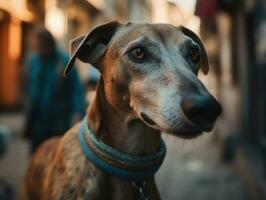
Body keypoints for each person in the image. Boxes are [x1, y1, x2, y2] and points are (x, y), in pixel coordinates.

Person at [24, 27, 86, 152]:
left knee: (55, 156)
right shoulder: (33, 61)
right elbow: (29, 85)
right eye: (37, 47)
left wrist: (78, 112)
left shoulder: (64, 61)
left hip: (59, 122)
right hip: (38, 122)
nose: (39, 50)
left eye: (42, 46)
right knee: (37, 156)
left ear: (49, 43)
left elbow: (76, 89)